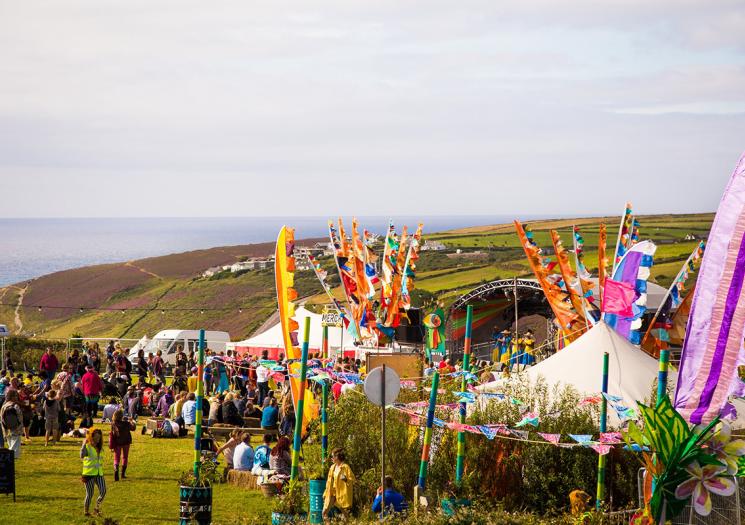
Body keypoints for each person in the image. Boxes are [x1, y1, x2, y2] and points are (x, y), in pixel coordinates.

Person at [80, 428, 107, 517]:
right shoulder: (88, 446)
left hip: (99, 473)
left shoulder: (100, 447)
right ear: (92, 437)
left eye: (99, 438)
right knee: (90, 494)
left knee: (103, 491)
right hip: (89, 474)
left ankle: (96, 508)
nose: (98, 440)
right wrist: (84, 443)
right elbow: (81, 455)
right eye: (96, 438)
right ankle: (86, 512)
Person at [323, 448, 355, 518]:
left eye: (332, 456)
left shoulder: (345, 467)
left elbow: (353, 480)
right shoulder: (332, 467)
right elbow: (329, 482)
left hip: (341, 494)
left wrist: (346, 479)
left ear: (337, 457)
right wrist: (326, 492)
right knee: (324, 513)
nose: (331, 458)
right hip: (332, 493)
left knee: (345, 515)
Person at [109, 409, 136, 481]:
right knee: (125, 457)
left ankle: (116, 471)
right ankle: (123, 474)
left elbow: (112, 435)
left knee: (116, 458)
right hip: (126, 442)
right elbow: (133, 428)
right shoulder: (126, 423)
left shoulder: (113, 423)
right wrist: (131, 421)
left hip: (117, 442)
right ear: (121, 416)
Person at [1, 389, 24, 458]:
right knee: (15, 443)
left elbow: (1, 417)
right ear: (12, 397)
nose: (17, 397)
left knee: (10, 441)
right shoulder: (15, 406)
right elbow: (20, 417)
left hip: (6, 427)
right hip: (16, 427)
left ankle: (10, 456)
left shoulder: (4, 405)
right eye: (16, 396)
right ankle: (12, 457)